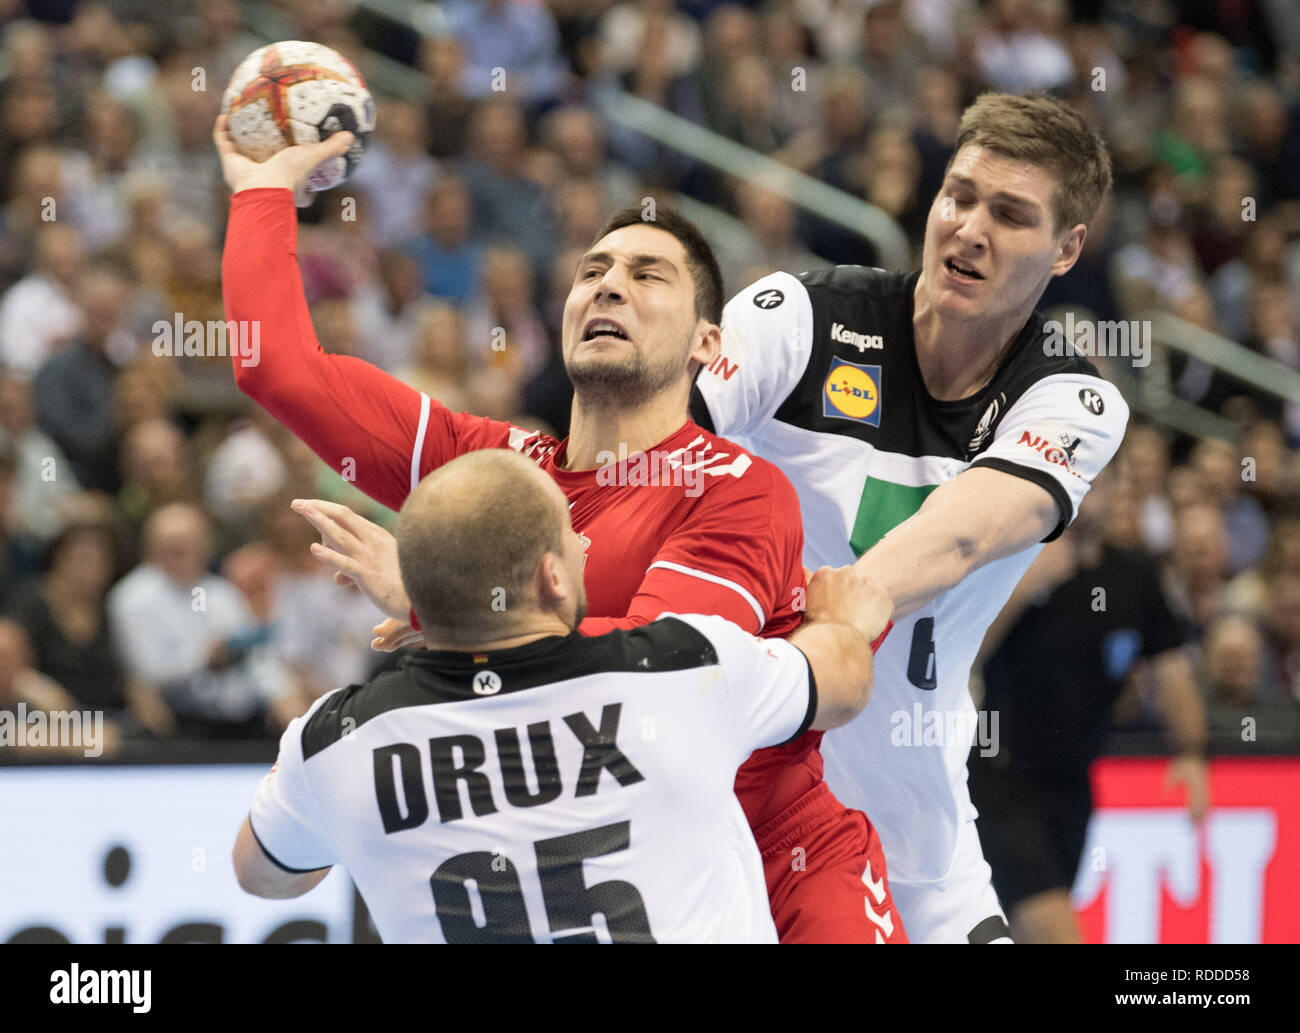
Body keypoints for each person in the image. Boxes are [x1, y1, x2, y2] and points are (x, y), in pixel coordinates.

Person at [215, 117, 906, 943]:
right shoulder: (495, 471)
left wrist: (450, 603)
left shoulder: (736, 489)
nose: (609, 285)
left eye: (648, 275)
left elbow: (652, 674)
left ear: (707, 344)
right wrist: (264, 189)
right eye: (593, 270)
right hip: (591, 858)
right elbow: (277, 365)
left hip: (777, 851)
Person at [689, 92, 1130, 942]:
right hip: (739, 821)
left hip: (920, 848)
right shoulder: (801, 317)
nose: (969, 228)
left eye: (1011, 215)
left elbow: (964, 531)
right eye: (959, 195)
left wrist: (838, 613)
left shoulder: (1071, 399)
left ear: (1069, 249)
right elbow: (658, 443)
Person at [232, 449, 892, 943]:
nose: (583, 541)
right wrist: (844, 619)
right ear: (552, 576)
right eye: (570, 532)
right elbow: (842, 681)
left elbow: (263, 874)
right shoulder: (684, 669)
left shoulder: (335, 740)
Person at [968, 471, 1208, 943]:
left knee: (1015, 929)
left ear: (1119, 489)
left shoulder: (1135, 576)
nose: (1086, 494)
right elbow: (963, 652)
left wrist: (1193, 753)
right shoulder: (1013, 560)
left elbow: (1171, 672)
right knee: (1054, 930)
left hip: (1075, 787)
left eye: (1099, 481)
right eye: (1078, 481)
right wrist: (1028, 584)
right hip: (999, 782)